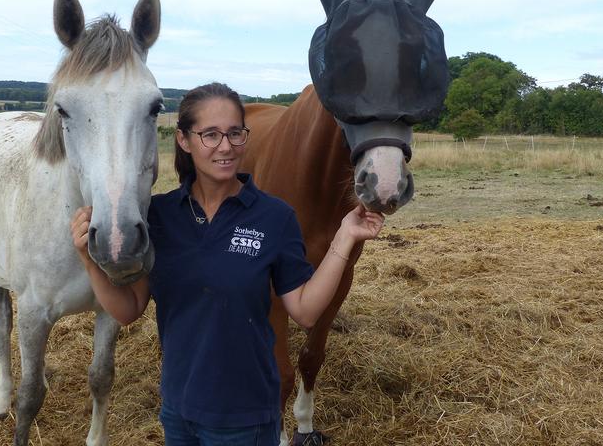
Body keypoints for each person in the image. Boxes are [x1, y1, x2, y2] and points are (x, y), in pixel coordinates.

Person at [71, 82, 384, 446]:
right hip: (178, 411)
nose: (226, 146)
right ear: (184, 140)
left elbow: (305, 311)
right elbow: (129, 310)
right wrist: (89, 260)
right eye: (211, 135)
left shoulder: (275, 216)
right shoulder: (160, 217)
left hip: (248, 417)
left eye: (235, 133)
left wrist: (344, 237)